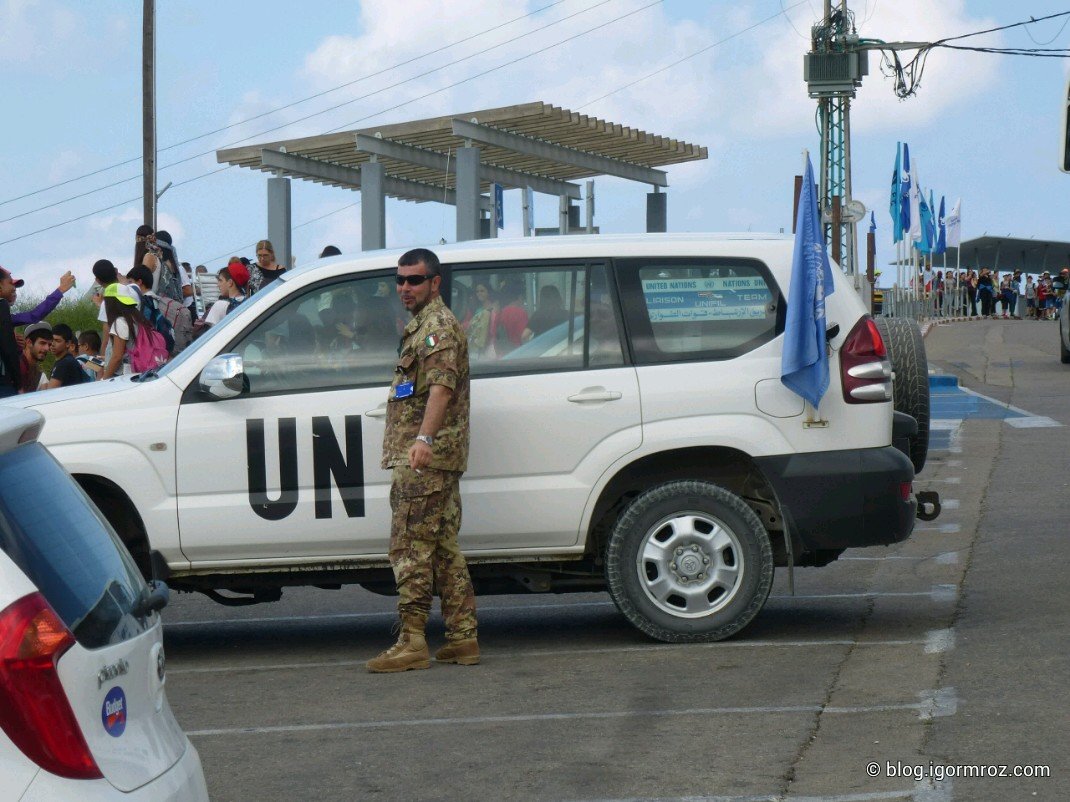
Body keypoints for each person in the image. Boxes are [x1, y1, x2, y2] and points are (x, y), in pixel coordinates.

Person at [367, 247, 478, 673]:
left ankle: (412, 641)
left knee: (409, 547)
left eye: (415, 280)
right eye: (400, 280)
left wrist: (423, 439)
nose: (405, 287)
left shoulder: (437, 328)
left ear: (435, 282)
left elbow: (441, 387)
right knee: (444, 549)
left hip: (425, 459)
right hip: (433, 458)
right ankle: (462, 638)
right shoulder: (422, 326)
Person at [0, 265, 77, 397]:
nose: (14, 288)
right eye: (10, 283)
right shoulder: (2, 307)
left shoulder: (7, 318)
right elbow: (34, 316)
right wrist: (60, 290)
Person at [101, 283, 147, 379]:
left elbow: (117, 357)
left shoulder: (120, 322)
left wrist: (103, 380)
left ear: (111, 303)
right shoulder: (137, 319)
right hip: (137, 373)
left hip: (122, 377)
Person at [199, 261, 249, 330]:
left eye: (220, 280)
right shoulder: (250, 303)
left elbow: (212, 334)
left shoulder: (220, 305)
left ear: (230, 283)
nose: (218, 284)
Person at [47, 324, 86, 388]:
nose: (52, 344)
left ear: (68, 343)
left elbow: (50, 392)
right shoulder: (67, 360)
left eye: (57, 341)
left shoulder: (64, 363)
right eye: (52, 340)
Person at [19, 322, 52, 393]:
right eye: (42, 343)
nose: (47, 348)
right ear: (29, 342)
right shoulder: (12, 366)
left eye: (49, 344)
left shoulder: (40, 377)